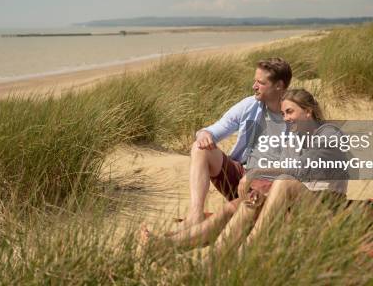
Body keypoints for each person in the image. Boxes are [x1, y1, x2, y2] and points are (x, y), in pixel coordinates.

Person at [140, 88, 349, 252]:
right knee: (240, 205)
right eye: (284, 113)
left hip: (323, 208)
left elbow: (300, 170)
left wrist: (255, 173)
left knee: (282, 183)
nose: (285, 118)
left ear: (308, 111)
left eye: (290, 112)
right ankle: (171, 246)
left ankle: (249, 248)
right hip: (293, 204)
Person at [185, 57, 292, 227]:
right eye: (254, 81)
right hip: (239, 178)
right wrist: (204, 134)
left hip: (271, 185)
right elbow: (216, 129)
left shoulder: (295, 114)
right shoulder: (250, 105)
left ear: (279, 85)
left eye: (260, 82)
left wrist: (256, 173)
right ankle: (196, 215)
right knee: (200, 147)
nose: (254, 86)